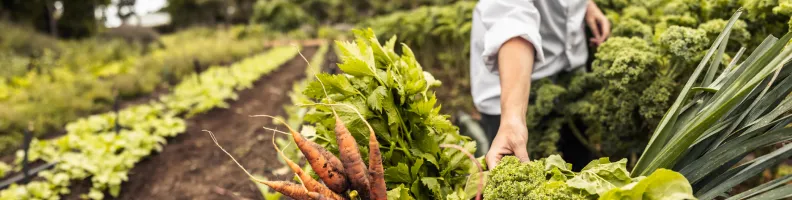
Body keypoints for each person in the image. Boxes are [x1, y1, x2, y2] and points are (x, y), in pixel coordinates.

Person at [469, 0, 611, 169]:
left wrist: (585, 5)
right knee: (522, 171)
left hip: (570, 71)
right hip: (513, 85)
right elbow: (513, 21)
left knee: (580, 162)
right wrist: (512, 120)